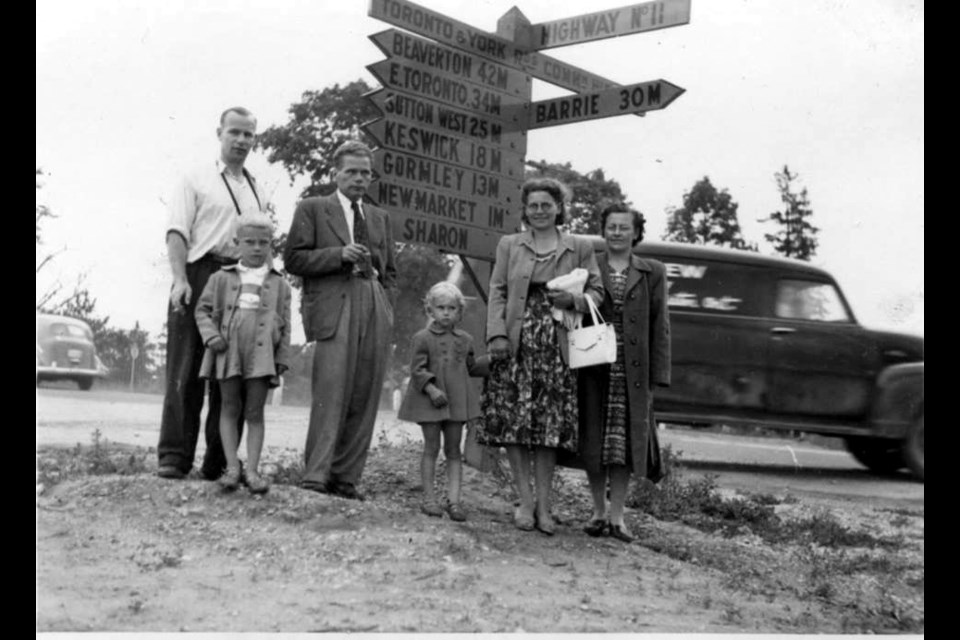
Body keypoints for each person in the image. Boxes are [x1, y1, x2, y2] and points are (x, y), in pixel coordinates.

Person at [478, 177, 603, 535]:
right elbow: (498, 291)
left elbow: (597, 292)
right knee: (516, 425)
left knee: (548, 429)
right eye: (532, 206)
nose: (539, 211)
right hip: (516, 343)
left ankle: (546, 507)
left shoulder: (579, 246)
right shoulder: (510, 244)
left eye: (546, 205)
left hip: (558, 345)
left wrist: (575, 301)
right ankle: (526, 502)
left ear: (559, 207)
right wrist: (497, 335)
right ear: (525, 210)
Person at [282, 140, 397, 501]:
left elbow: (390, 270)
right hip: (335, 302)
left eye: (366, 173)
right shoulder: (314, 208)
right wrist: (338, 255)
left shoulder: (379, 217)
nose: (360, 179)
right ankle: (316, 475)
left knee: (365, 392)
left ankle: (346, 478)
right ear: (336, 173)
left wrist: (385, 305)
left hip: (372, 299)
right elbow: (294, 259)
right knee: (331, 391)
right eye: (352, 172)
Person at [157, 106, 265, 481]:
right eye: (234, 132)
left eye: (248, 134)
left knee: (229, 373)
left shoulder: (255, 187)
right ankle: (174, 455)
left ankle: (218, 462)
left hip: (238, 280)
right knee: (185, 369)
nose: (241, 140)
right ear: (219, 132)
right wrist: (179, 279)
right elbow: (177, 231)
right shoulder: (196, 177)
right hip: (199, 272)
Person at [578, 204, 671, 543]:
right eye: (611, 227)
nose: (617, 233)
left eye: (623, 227)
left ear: (636, 232)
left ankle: (618, 516)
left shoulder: (653, 271)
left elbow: (660, 325)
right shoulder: (589, 264)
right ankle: (598, 512)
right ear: (603, 231)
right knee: (593, 439)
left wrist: (657, 375)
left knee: (625, 445)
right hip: (594, 363)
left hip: (632, 369)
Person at [194, 212, 292, 494]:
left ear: (270, 245)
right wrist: (212, 336)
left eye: (264, 242)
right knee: (228, 408)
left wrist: (282, 358)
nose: (257, 248)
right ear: (237, 243)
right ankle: (232, 467)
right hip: (229, 352)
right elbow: (202, 310)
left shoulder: (279, 283)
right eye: (250, 242)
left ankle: (252, 470)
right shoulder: (220, 278)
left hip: (262, 356)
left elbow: (285, 324)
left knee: (255, 412)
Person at [397, 282, 489, 521]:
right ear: (430, 311)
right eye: (440, 308)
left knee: (453, 450)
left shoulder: (466, 339)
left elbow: (470, 368)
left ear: (460, 312)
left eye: (451, 308)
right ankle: (429, 499)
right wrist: (431, 389)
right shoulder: (422, 338)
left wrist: (492, 362)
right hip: (431, 401)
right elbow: (416, 370)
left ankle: (454, 501)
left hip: (456, 401)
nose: (446, 312)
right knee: (431, 448)